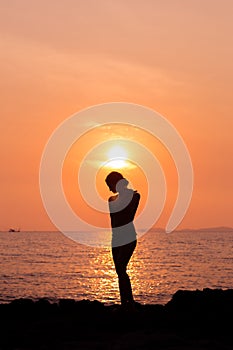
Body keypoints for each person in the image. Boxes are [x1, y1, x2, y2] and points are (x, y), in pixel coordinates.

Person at [105, 171, 140, 309]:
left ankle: (129, 301)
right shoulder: (111, 199)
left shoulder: (135, 196)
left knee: (121, 268)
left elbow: (128, 216)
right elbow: (116, 217)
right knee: (119, 270)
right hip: (116, 238)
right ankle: (124, 302)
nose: (109, 188)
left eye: (109, 185)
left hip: (129, 237)